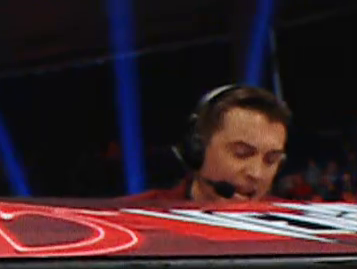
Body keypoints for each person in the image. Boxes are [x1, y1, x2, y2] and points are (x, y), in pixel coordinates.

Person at [122, 84, 292, 204]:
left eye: (271, 160)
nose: (256, 173)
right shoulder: (131, 217)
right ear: (197, 149)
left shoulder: (296, 231)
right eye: (242, 153)